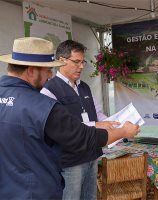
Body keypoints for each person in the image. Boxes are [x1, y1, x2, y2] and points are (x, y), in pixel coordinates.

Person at [0, 37, 140, 200]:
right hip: (38, 189)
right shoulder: (42, 104)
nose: (50, 75)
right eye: (47, 70)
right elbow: (82, 136)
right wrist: (123, 131)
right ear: (31, 70)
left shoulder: (80, 88)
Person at [40, 40, 116, 200]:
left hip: (92, 154)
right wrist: (97, 125)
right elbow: (63, 129)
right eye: (76, 62)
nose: (81, 66)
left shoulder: (84, 87)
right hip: (70, 162)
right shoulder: (49, 91)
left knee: (90, 197)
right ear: (61, 60)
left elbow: (98, 113)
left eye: (83, 62)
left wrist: (114, 124)